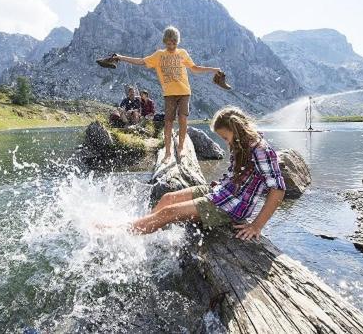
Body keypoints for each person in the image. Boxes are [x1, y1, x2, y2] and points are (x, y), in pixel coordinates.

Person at [127, 106, 286, 240]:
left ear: (236, 129)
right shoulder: (240, 143)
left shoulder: (261, 150)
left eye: (225, 137)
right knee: (168, 198)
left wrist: (256, 225)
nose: (225, 141)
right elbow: (233, 176)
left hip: (232, 207)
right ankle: (142, 231)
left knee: (170, 212)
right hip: (220, 192)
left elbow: (278, 189)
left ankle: (124, 233)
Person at [115, 26, 221, 162]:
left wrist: (213, 69)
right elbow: (141, 61)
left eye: (174, 43)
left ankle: (181, 148)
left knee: (183, 118)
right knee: (168, 121)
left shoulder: (182, 53)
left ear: (177, 42)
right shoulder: (159, 55)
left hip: (184, 92)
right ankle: (168, 153)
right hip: (169, 94)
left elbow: (194, 68)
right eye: (169, 43)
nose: (171, 46)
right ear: (165, 42)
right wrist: (121, 58)